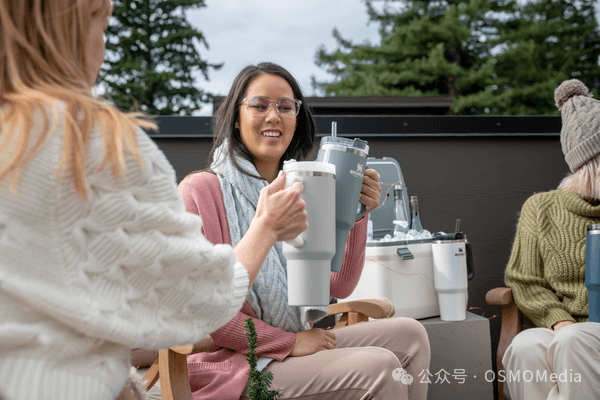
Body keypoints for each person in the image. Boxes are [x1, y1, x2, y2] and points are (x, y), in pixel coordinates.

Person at [0, 2, 307, 400]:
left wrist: (356, 216)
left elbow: (331, 286)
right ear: (72, 30)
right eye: (104, 26)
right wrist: (265, 228)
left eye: (286, 107)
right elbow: (196, 303)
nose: (104, 47)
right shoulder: (89, 145)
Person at [177, 62, 431, 400]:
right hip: (230, 364)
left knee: (410, 336)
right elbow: (208, 315)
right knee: (380, 365)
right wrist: (289, 342)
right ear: (235, 118)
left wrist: (357, 215)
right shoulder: (199, 191)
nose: (273, 116)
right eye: (259, 105)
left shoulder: (304, 187)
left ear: (297, 121)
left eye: (285, 106)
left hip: (291, 343)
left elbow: (338, 283)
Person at [503, 79, 600, 400]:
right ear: (590, 164)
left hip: (585, 336)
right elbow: (525, 281)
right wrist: (559, 322)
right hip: (563, 327)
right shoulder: (541, 208)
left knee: (573, 342)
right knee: (525, 347)